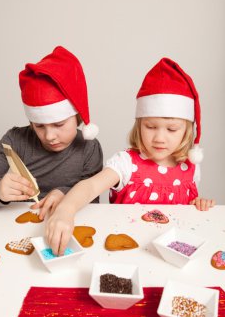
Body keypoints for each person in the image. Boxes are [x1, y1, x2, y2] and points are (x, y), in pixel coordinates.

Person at [45, 57, 215, 255]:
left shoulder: (190, 168)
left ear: (186, 131)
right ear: (139, 125)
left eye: (171, 129)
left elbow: (187, 215)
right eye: (150, 127)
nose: (159, 138)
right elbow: (90, 186)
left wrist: (198, 205)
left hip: (171, 256)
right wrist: (66, 209)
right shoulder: (126, 164)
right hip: (127, 252)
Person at [0, 46, 103, 214]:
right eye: (39, 126)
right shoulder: (15, 141)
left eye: (59, 124)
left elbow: (94, 198)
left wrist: (66, 194)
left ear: (76, 116)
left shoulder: (89, 148)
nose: (49, 136)